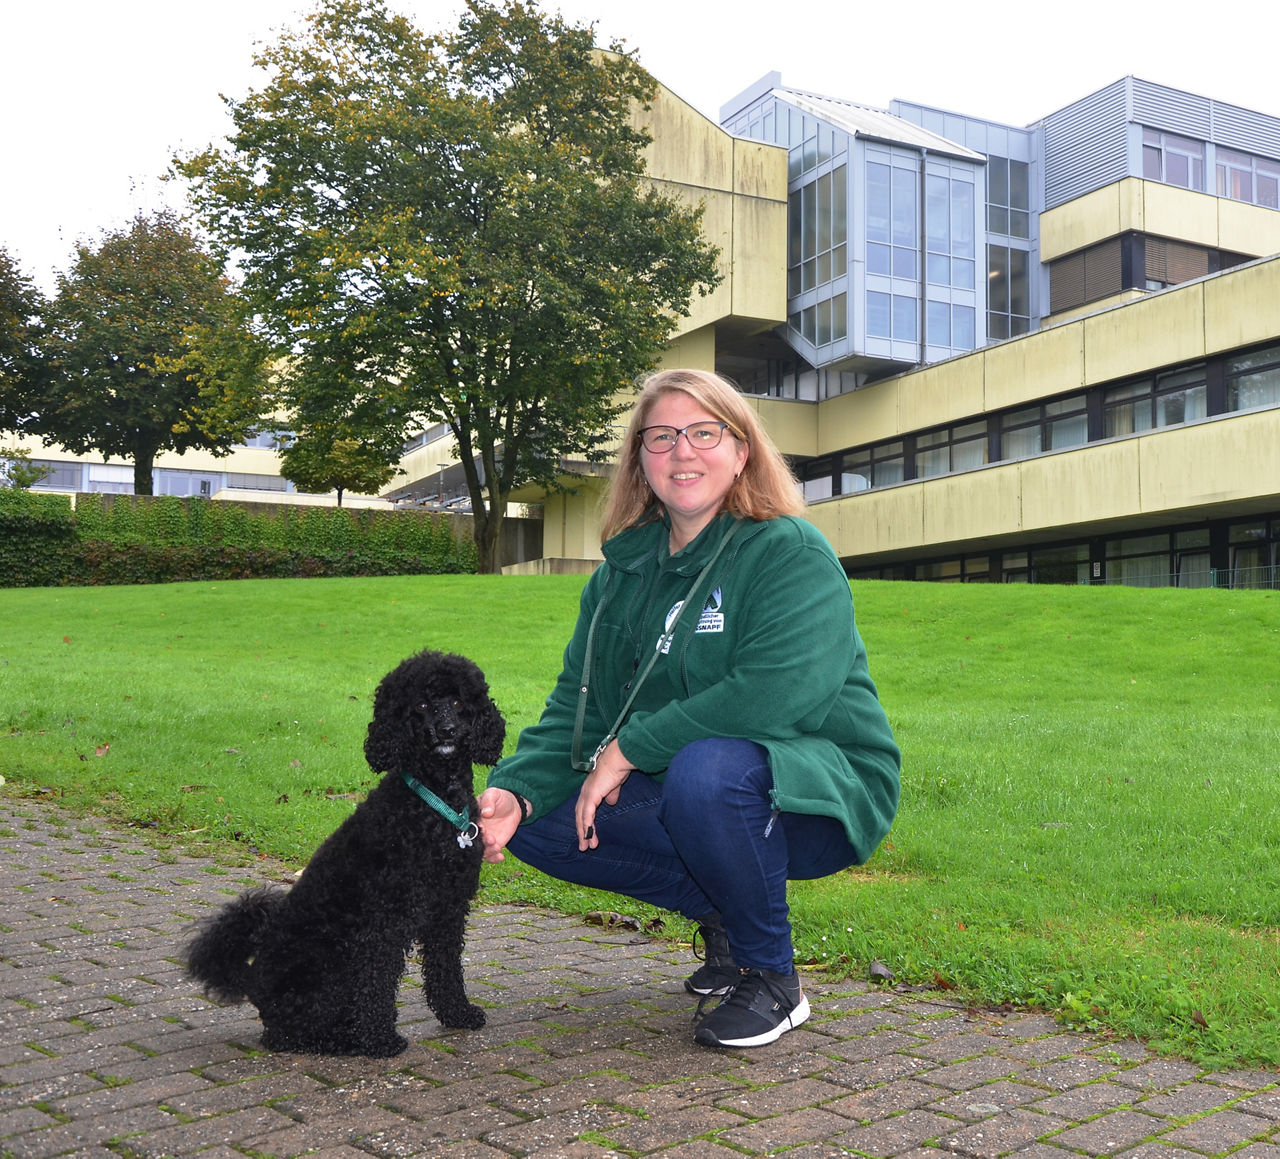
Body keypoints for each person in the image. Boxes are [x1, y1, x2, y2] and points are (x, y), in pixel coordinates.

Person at [477, 368, 900, 1048]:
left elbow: (778, 691)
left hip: (817, 787)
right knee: (541, 820)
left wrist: (632, 748)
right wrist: (514, 790)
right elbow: (575, 711)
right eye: (663, 435)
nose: (683, 451)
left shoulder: (788, 551)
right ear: (640, 461)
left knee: (708, 769)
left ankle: (773, 978)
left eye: (706, 432)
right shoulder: (620, 576)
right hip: (695, 787)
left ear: (742, 452)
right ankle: (729, 914)